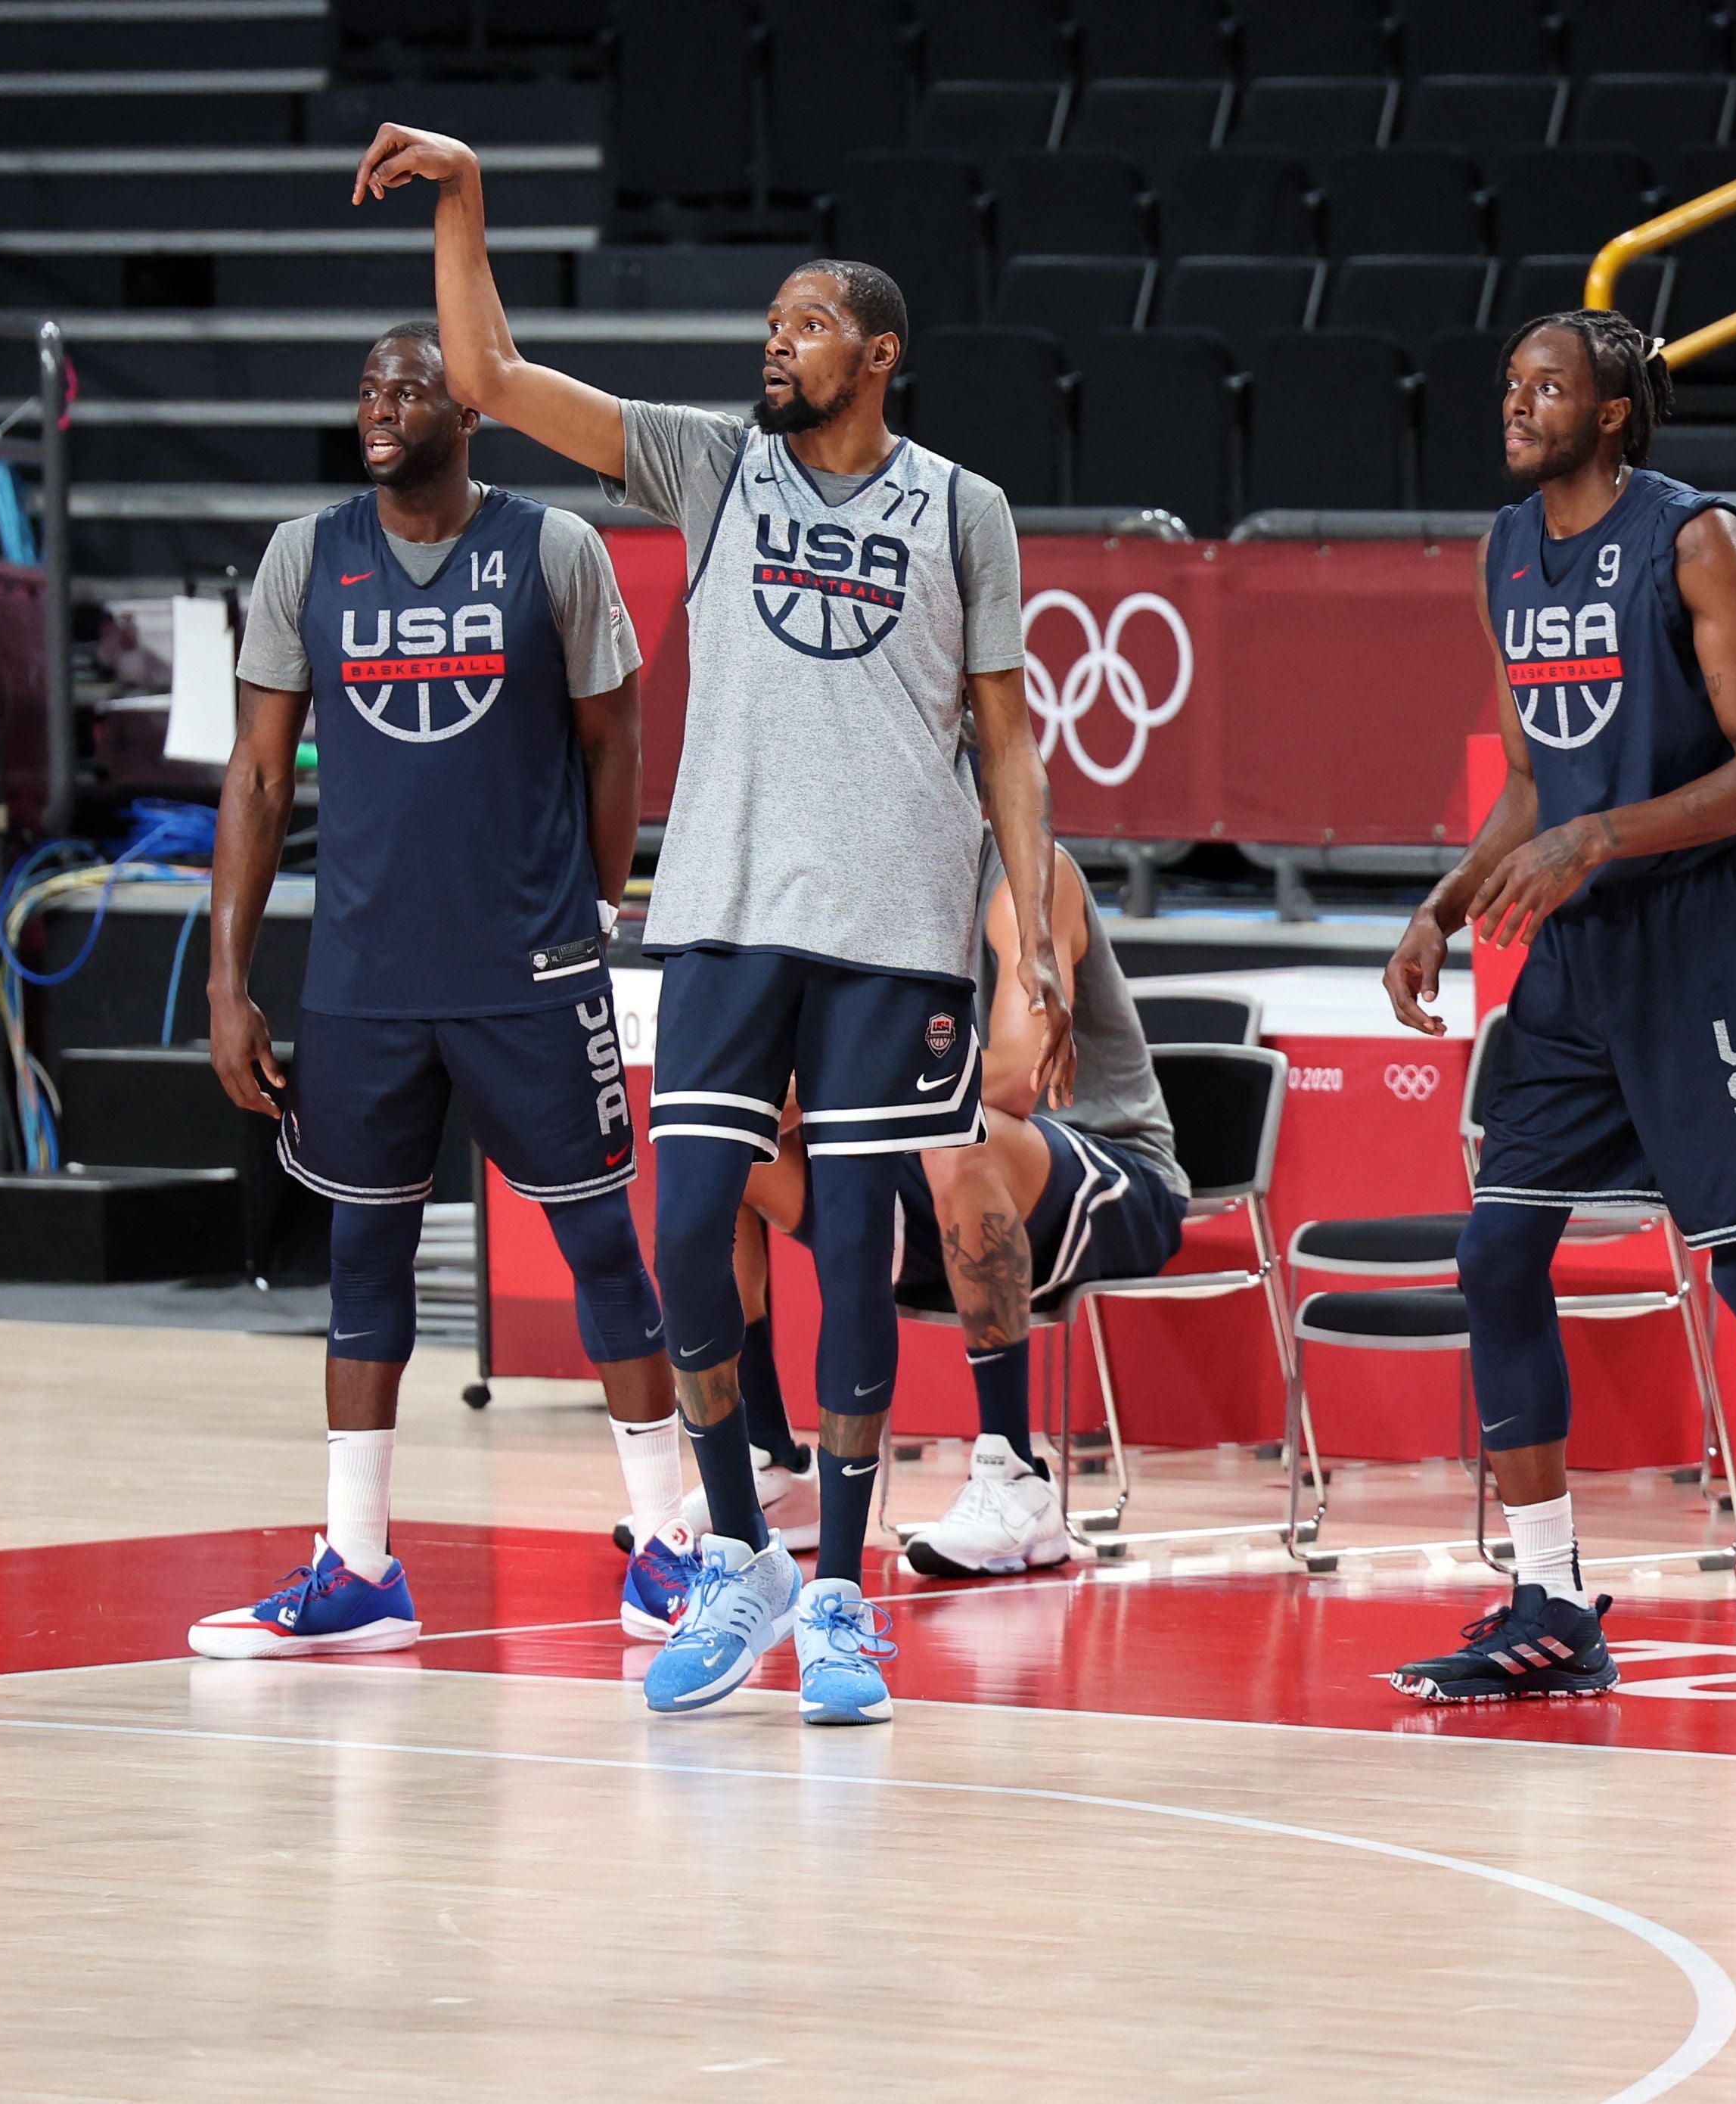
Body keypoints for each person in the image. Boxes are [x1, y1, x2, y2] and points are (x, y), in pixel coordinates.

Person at [356, 125, 1073, 1727]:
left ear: (878, 355)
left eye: (807, 322)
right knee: (685, 1237)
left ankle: (835, 1595)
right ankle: (735, 1554)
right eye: (769, 321)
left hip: (893, 925)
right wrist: (470, 194)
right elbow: (485, 372)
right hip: (728, 910)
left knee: (848, 1240)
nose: (776, 339)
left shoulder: (964, 509)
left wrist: (1027, 938)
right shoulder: (709, 462)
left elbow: (1007, 740)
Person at [1382, 312, 1736, 1707]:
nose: (1518, 407)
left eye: (1549, 390)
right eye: (1512, 386)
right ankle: (1550, 1601)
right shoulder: (1502, 551)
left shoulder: (1698, 541)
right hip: (1573, 966)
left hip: (1703, 945)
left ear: (1616, 414)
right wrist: (1446, 900)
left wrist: (1597, 839)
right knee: (1495, 1257)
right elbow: (1536, 776)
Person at [191, 320, 689, 1658]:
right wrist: (230, 979)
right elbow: (252, 776)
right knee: (365, 1254)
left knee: (599, 1246)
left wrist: (589, 908)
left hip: (527, 968)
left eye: (410, 389)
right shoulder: (308, 555)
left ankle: (669, 1549)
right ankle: (356, 1568)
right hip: (362, 977)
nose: (381, 406)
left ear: (467, 413)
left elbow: (615, 732)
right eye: (367, 388)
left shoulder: (556, 551)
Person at [909, 842, 1188, 1577]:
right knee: (736, 1142)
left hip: (1116, 1170)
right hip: (948, 1154)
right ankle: (768, 1462)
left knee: (955, 1131)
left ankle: (1013, 1474)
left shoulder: (1028, 874)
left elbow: (1015, 1080)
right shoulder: (875, 880)